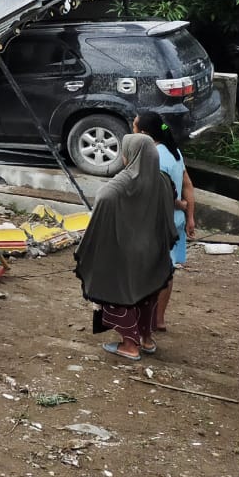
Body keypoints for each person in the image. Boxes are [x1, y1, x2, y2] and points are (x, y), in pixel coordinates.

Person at [74, 134, 178, 361]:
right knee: (146, 295)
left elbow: (102, 205)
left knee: (121, 294)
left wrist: (89, 249)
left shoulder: (118, 186)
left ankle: (129, 346)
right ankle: (146, 340)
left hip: (124, 252)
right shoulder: (161, 182)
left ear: (130, 155)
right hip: (152, 250)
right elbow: (167, 218)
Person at [133, 112, 196, 331]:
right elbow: (187, 184)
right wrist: (190, 217)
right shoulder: (174, 151)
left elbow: (160, 194)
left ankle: (147, 323)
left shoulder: (152, 157)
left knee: (152, 273)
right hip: (176, 223)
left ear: (144, 133)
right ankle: (159, 319)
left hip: (158, 224)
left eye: (134, 127)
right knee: (167, 271)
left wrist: (179, 204)